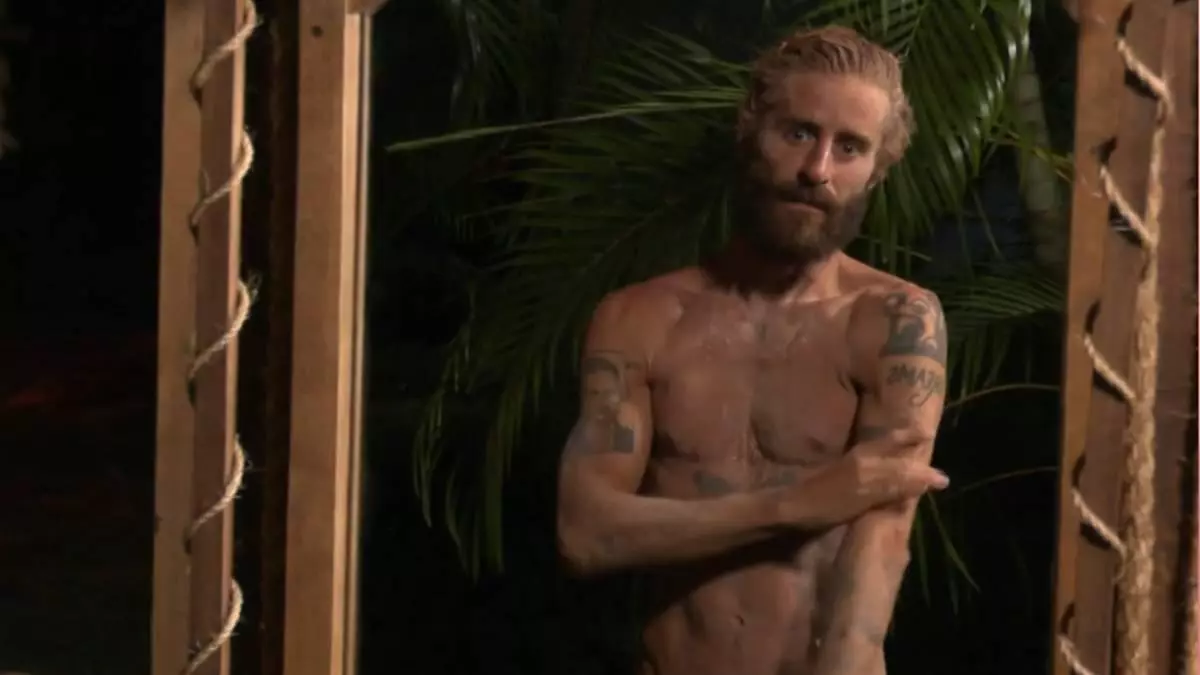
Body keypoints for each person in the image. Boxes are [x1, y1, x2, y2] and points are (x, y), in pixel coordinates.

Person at [555, 25, 951, 675]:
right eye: (798, 132)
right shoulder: (638, 319)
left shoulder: (895, 321)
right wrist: (796, 504)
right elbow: (585, 533)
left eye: (850, 147)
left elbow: (879, 547)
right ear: (750, 128)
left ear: (877, 170)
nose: (817, 170)